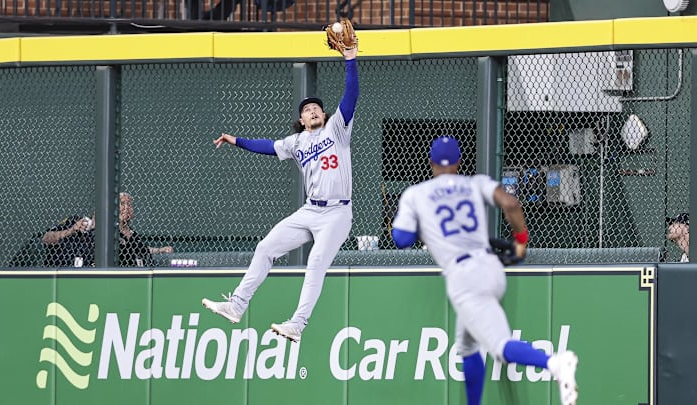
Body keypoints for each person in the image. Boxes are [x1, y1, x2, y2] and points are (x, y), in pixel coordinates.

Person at [390, 136, 578, 405]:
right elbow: (511, 203)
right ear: (459, 163)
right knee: (467, 347)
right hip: (490, 267)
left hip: (464, 277)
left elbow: (402, 240)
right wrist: (521, 241)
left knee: (500, 347)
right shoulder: (474, 182)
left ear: (431, 163)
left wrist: (425, 228)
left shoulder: (416, 194)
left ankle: (555, 363)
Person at [201, 40, 359, 343]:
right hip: (310, 209)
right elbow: (267, 146)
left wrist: (350, 58)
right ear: (301, 120)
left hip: (337, 213)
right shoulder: (296, 142)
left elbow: (351, 96)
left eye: (316, 108)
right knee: (265, 247)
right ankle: (236, 305)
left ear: (324, 116)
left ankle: (298, 324)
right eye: (306, 109)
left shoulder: (337, 129)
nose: (312, 111)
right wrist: (236, 140)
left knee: (316, 262)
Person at [42, 192, 170, 267]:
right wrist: (70, 230)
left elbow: (141, 250)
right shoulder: (75, 221)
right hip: (60, 270)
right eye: (122, 204)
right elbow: (46, 238)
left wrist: (160, 250)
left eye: (129, 205)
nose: (126, 207)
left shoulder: (123, 236)